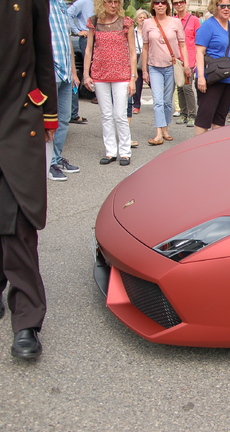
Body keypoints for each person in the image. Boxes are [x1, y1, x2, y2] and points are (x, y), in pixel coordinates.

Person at [1, 0, 58, 359]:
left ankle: (26, 320)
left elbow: (42, 50)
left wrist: (48, 112)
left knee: (17, 217)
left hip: (18, 113)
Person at [84, 0, 137, 166]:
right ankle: (110, 151)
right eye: (109, 2)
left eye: (116, 2)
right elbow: (89, 49)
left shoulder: (125, 22)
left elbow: (132, 51)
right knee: (106, 115)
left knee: (120, 115)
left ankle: (125, 152)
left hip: (121, 75)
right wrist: (86, 74)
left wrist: (133, 77)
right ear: (102, 3)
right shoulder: (94, 22)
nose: (113, 5)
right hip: (100, 74)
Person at [142, 0, 190, 145]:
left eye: (163, 2)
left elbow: (182, 44)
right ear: (153, 6)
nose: (160, 5)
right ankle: (158, 134)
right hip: (154, 66)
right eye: (157, 2)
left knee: (167, 102)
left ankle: (165, 129)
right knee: (158, 101)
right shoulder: (147, 23)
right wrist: (144, 70)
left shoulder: (175, 22)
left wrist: (186, 64)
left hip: (171, 66)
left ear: (167, 5)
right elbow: (145, 47)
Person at [194, 0, 230, 134]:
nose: (226, 9)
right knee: (205, 116)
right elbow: (199, 52)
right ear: (215, 7)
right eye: (223, 6)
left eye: (229, 6)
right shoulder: (208, 25)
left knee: (220, 118)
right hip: (212, 78)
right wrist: (201, 77)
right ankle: (198, 150)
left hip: (229, 78)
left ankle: (213, 150)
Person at [48, 0, 81, 182]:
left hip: (66, 70)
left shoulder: (62, 5)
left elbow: (67, 38)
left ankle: (57, 157)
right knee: (49, 121)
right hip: (50, 70)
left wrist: (74, 72)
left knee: (64, 119)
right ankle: (49, 162)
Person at [173, 0, 200, 128]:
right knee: (179, 87)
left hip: (189, 59)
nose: (179, 5)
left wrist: (194, 61)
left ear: (185, 3)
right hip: (176, 59)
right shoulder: (172, 20)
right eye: (176, 3)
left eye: (181, 2)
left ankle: (192, 115)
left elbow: (198, 41)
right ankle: (183, 113)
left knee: (187, 87)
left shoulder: (193, 20)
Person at [67, 0, 94, 123]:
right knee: (89, 67)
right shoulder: (84, 1)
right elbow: (68, 14)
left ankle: (97, 95)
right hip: (87, 38)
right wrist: (78, 31)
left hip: (99, 38)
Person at [132, 9, 150, 115]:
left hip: (148, 56)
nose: (142, 20)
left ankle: (159, 103)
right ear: (136, 19)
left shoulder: (150, 30)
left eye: (144, 17)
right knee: (137, 82)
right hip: (136, 56)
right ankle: (136, 105)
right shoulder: (133, 32)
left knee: (152, 81)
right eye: (140, 17)